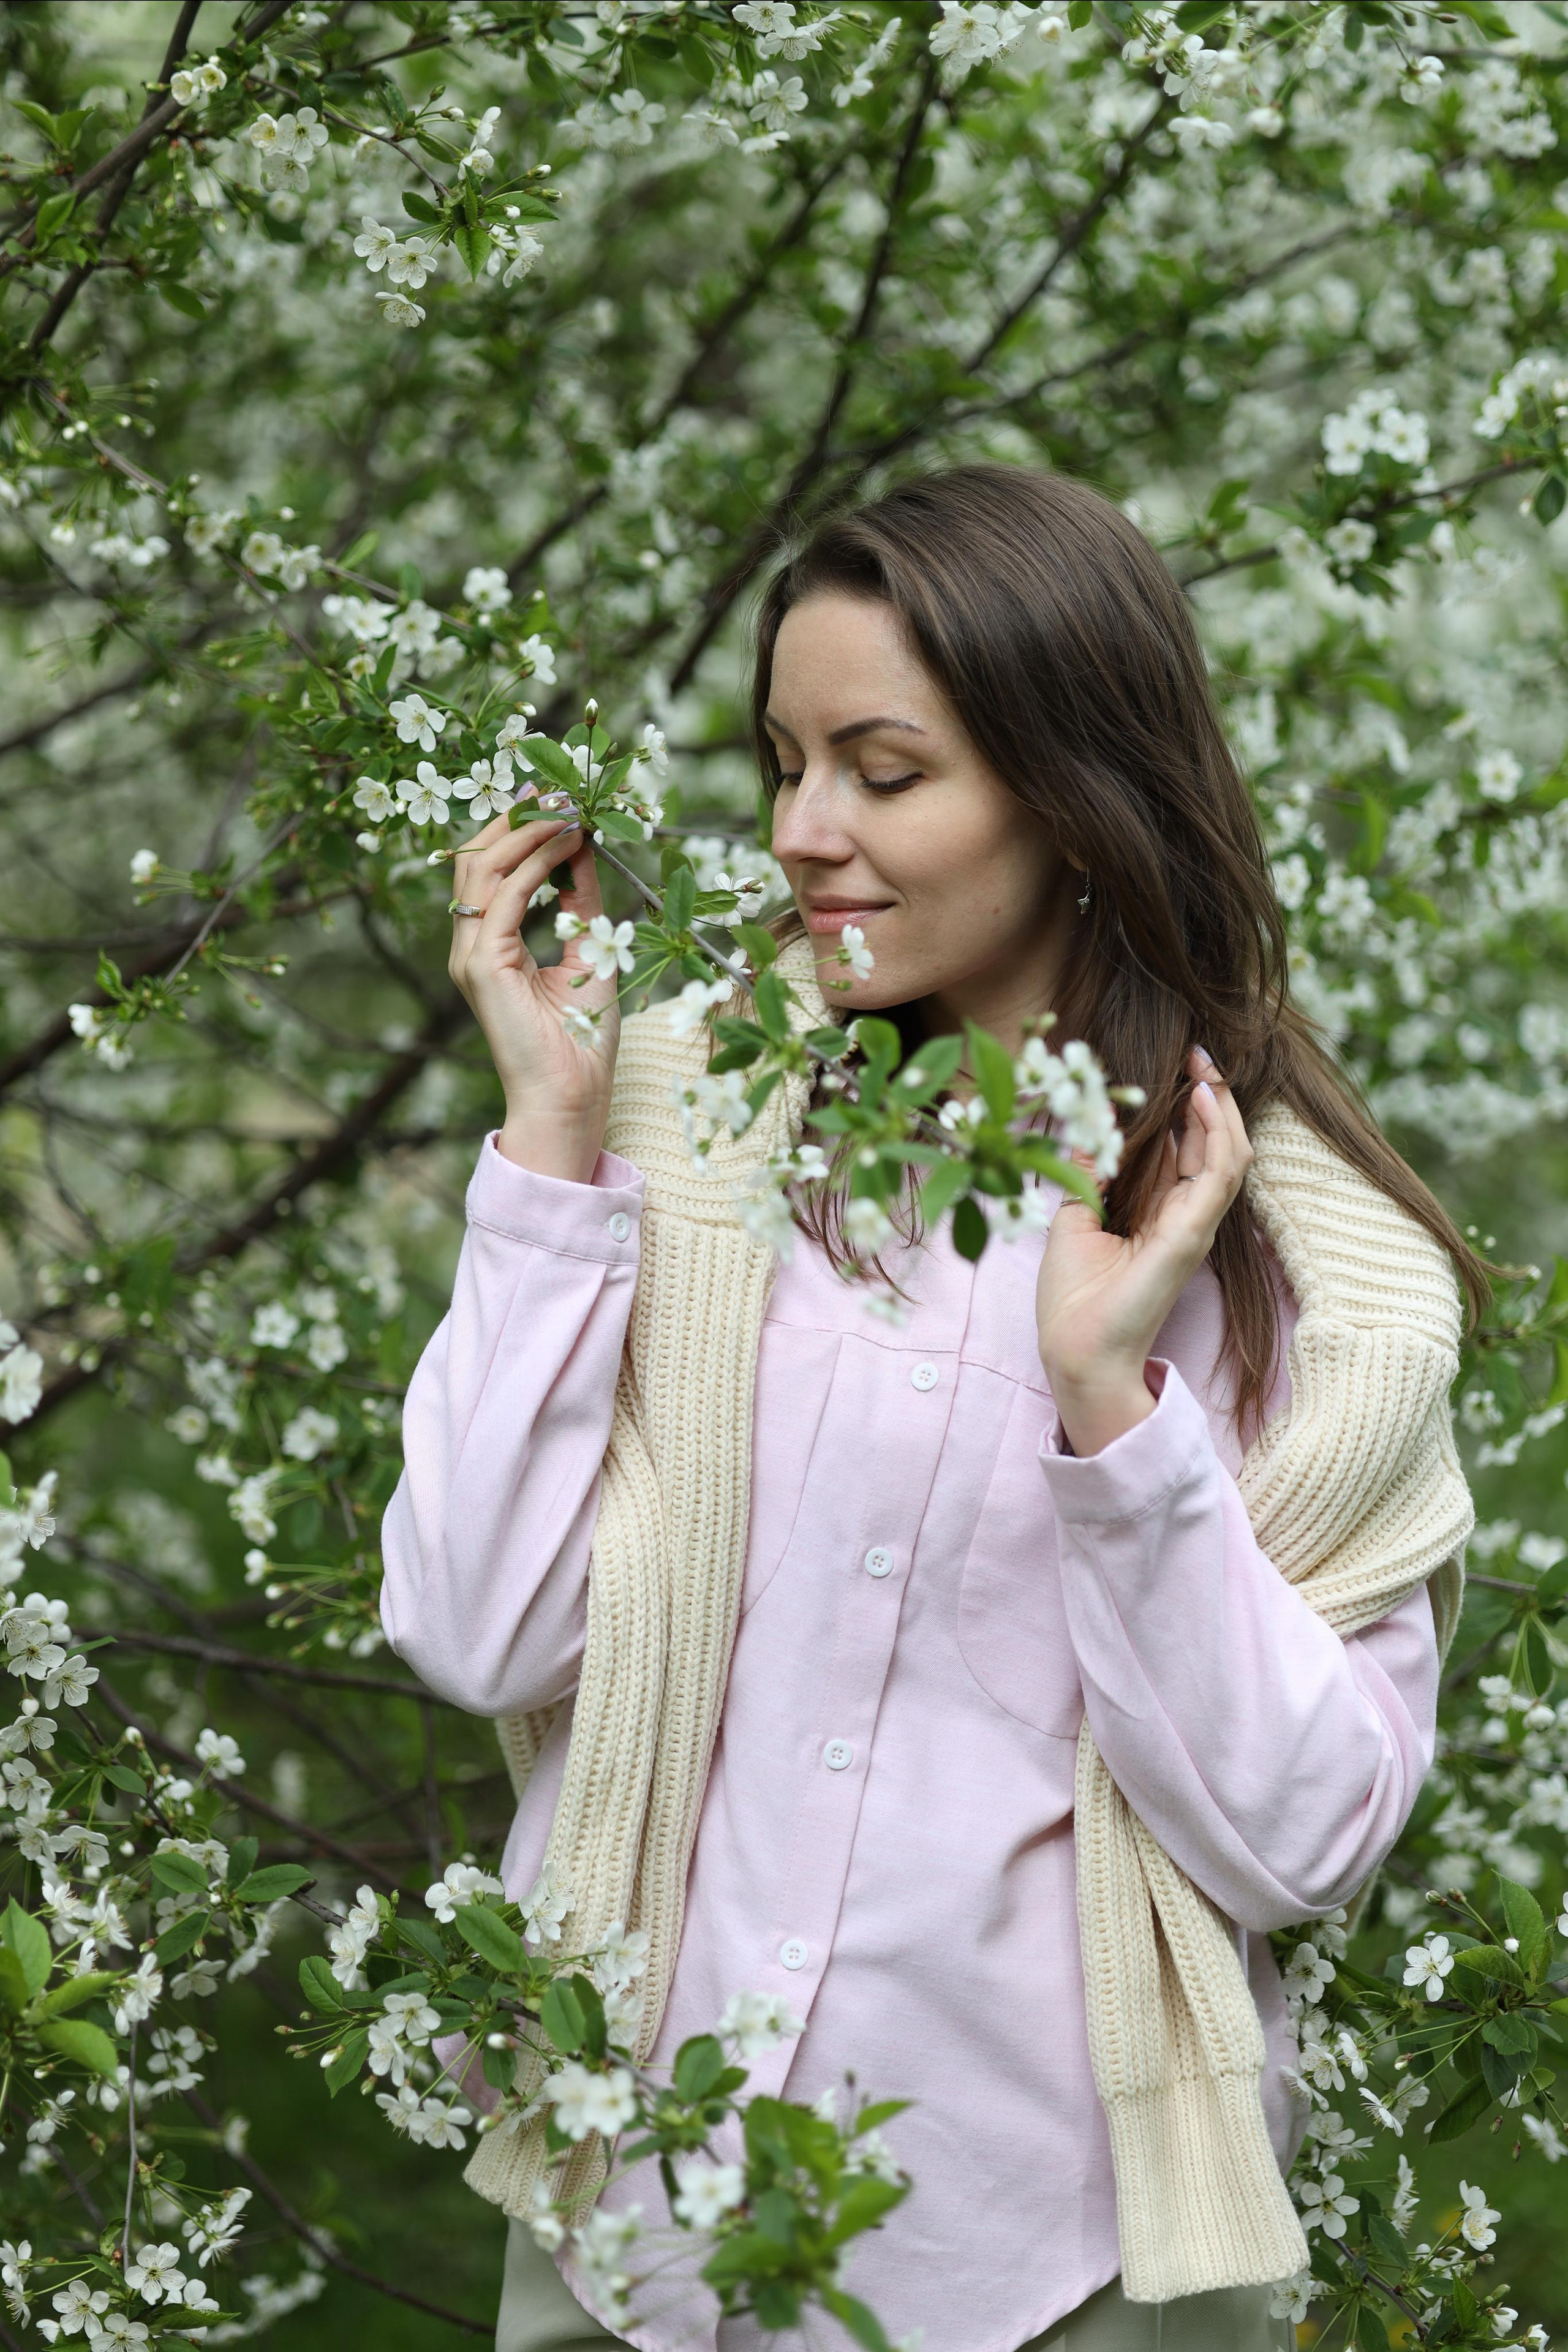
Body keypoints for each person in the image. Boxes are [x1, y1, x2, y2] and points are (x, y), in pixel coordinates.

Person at [379, 466, 1480, 2352]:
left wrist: (1111, 1414)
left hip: (1055, 2269)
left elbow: (1300, 1842)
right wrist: (553, 1162)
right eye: (785, 761)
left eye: (885, 773)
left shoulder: (1314, 1275)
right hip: (630, 2239)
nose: (808, 830)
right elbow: (477, 1633)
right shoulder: (683, 1134)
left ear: (1075, 793)